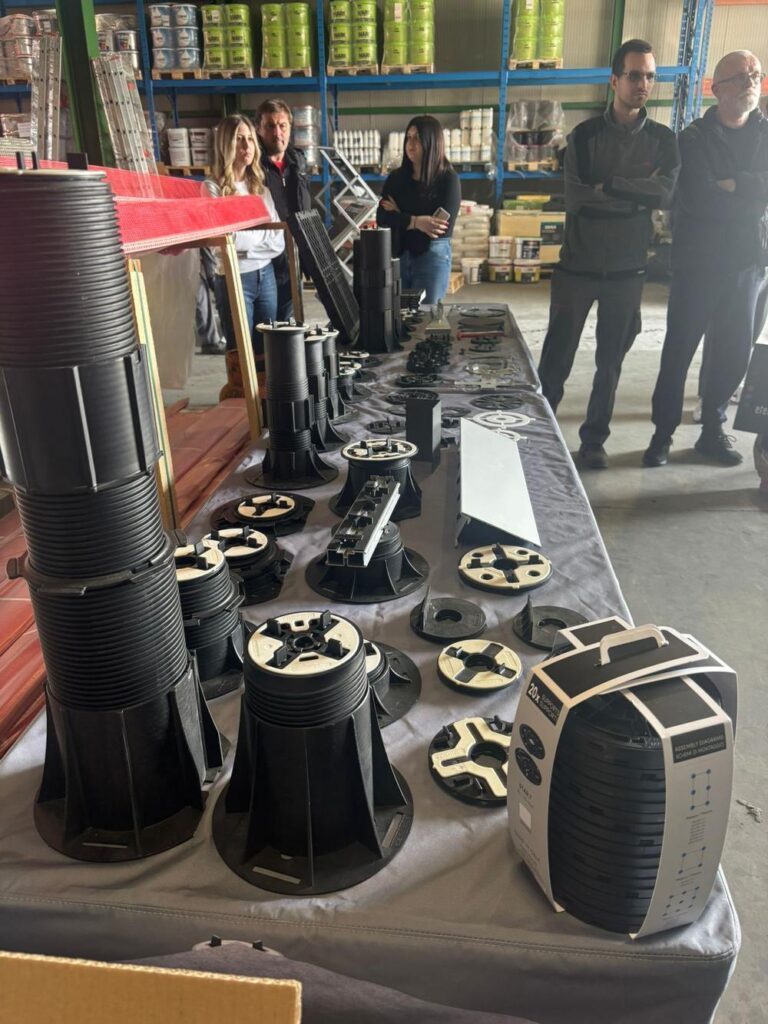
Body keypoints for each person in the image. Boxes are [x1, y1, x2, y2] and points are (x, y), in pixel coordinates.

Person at [537, 39, 680, 470]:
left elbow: (666, 194)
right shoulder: (584, 137)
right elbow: (577, 198)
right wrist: (636, 194)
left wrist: (610, 186)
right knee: (555, 361)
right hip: (577, 268)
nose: (643, 84)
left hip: (626, 270)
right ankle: (539, 437)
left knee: (610, 364)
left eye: (650, 76)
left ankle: (594, 441)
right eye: (635, 76)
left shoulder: (663, 140)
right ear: (614, 80)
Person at [643, 50, 768, 467]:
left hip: (747, 263)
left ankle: (712, 430)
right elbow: (699, 197)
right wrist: (751, 192)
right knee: (678, 350)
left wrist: (735, 184)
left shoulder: (766, 133)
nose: (752, 83)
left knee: (733, 352)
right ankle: (662, 434)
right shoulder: (693, 138)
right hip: (698, 262)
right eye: (741, 77)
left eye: (756, 75)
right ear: (717, 89)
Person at [202, 114, 285, 377]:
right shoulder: (213, 189)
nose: (247, 146)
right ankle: (243, 399)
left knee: (268, 350)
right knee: (240, 353)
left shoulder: (259, 188)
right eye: (239, 139)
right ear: (225, 144)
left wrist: (244, 244)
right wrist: (256, 235)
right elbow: (223, 241)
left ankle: (266, 397)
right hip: (234, 278)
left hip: (265, 275)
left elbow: (277, 240)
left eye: (250, 139)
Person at [376, 114, 460, 305]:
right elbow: (382, 217)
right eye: (409, 138)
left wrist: (400, 215)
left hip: (432, 257)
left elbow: (439, 228)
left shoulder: (447, 179)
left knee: (426, 315)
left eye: (418, 139)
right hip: (399, 254)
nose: (411, 145)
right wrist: (416, 221)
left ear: (433, 142)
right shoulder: (396, 178)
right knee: (397, 313)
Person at [256, 98, 312, 322]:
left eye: (282, 125)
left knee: (289, 319)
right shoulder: (254, 166)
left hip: (295, 252)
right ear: (259, 129)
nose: (277, 132)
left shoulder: (297, 160)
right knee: (268, 323)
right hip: (267, 257)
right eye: (270, 126)